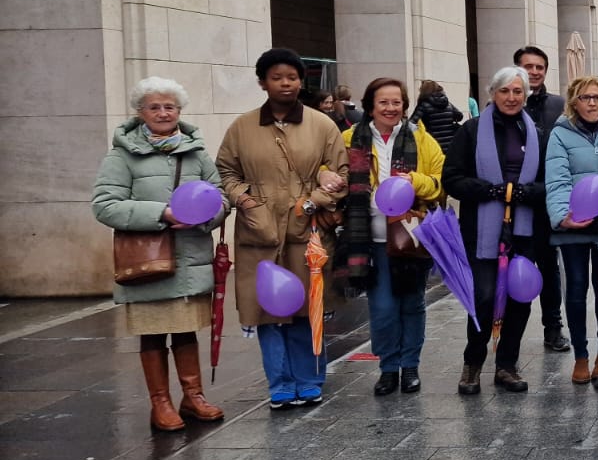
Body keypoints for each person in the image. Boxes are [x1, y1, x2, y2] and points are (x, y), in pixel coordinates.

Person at [91, 77, 228, 431]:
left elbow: (220, 199)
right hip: (147, 262)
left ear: (180, 111)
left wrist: (203, 218)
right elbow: (105, 206)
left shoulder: (196, 152)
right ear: (140, 112)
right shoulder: (121, 155)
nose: (163, 113)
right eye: (155, 107)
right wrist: (162, 214)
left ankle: (193, 397)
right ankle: (160, 403)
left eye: (170, 107)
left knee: (185, 331)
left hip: (190, 258)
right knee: (152, 334)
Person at [216, 48, 348, 408]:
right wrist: (245, 201)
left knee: (308, 307)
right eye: (276, 77)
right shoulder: (241, 128)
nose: (285, 83)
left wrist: (312, 202)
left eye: (292, 76)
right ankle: (280, 382)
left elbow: (341, 173)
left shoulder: (322, 126)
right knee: (268, 312)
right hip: (259, 234)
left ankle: (309, 378)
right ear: (262, 82)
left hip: (307, 232)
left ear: (301, 80)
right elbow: (226, 172)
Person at [442, 66, 543, 395]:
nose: (511, 98)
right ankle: (473, 362)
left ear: (525, 95)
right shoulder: (470, 131)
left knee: (519, 296)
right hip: (481, 228)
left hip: (524, 229)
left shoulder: (536, 133)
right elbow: (452, 179)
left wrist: (529, 192)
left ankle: (507, 365)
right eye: (505, 91)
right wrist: (489, 190)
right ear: (492, 93)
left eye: (518, 92)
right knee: (483, 297)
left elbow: (550, 182)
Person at [341, 77, 444, 396]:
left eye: (396, 102)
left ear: (405, 105)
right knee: (383, 307)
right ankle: (388, 367)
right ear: (370, 105)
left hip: (410, 237)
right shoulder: (348, 139)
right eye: (383, 102)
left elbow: (439, 184)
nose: (390, 108)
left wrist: (413, 181)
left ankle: (410, 365)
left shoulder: (422, 139)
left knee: (412, 304)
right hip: (368, 238)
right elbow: (329, 171)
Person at [545, 77, 598, 386]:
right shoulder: (560, 134)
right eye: (586, 98)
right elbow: (557, 179)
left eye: (597, 98)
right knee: (575, 290)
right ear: (574, 102)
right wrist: (563, 217)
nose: (592, 103)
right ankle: (581, 355)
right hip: (573, 223)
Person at [516, 46, 569, 353]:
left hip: (548, 199)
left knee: (550, 268)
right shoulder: (502, 104)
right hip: (515, 201)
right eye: (528, 66)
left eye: (540, 67)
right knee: (517, 267)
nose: (535, 71)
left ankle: (553, 327)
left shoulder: (558, 105)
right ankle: (511, 328)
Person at [411, 79, 463, 151]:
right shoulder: (447, 104)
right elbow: (460, 116)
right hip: (450, 146)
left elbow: (411, 124)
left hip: (433, 146)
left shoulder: (424, 105)